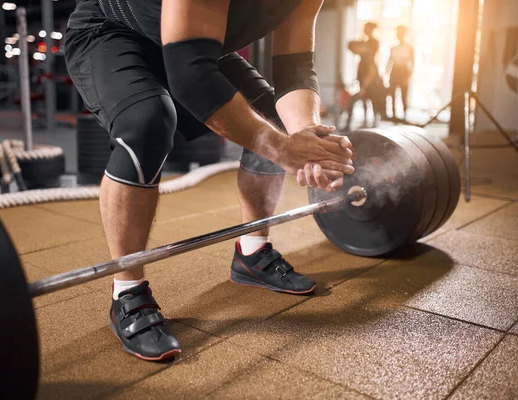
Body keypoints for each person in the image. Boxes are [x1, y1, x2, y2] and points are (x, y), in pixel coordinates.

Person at [64, 0, 355, 362]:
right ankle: (128, 293)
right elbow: (192, 77)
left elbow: (295, 68)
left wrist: (306, 137)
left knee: (273, 120)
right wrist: (283, 149)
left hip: (194, 44)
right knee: (147, 123)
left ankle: (252, 253)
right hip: (110, 32)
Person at [343, 22, 386, 131]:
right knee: (365, 101)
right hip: (366, 83)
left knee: (362, 100)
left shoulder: (369, 54)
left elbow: (371, 73)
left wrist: (364, 87)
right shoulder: (363, 56)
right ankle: (367, 123)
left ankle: (370, 124)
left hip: (371, 84)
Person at [386, 25, 414, 121]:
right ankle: (393, 115)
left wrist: (407, 76)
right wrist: (386, 74)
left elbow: (412, 63)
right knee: (392, 94)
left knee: (404, 95)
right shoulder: (393, 48)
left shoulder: (409, 48)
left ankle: (404, 116)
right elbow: (389, 62)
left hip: (403, 72)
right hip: (394, 72)